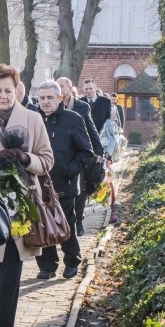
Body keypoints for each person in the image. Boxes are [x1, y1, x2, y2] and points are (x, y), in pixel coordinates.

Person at [0, 64, 54, 327]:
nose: (3, 96)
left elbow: (47, 159)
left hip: (20, 204)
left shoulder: (33, 119)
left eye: (8, 91)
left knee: (11, 262)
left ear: (17, 90)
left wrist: (25, 158)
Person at [35, 80, 95, 280]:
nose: (45, 102)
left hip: (64, 184)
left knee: (65, 225)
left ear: (59, 98)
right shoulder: (34, 119)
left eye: (50, 98)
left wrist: (70, 170)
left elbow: (86, 153)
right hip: (38, 183)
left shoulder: (73, 119)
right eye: (42, 98)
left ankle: (72, 261)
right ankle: (47, 265)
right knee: (42, 225)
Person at [57, 77, 104, 236]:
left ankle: (78, 220)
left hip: (79, 153)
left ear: (69, 89)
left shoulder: (81, 107)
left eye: (62, 86)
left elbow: (91, 130)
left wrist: (98, 151)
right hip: (61, 154)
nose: (59, 88)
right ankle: (62, 221)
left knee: (80, 190)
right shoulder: (53, 105)